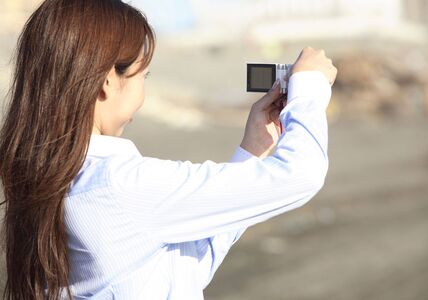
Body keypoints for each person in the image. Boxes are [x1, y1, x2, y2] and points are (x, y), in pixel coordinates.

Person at [0, 0, 337, 299]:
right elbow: (301, 175)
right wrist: (309, 87)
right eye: (142, 75)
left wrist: (253, 148)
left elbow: (179, 272)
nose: (143, 90)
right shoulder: (122, 185)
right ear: (107, 81)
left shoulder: (52, 177)